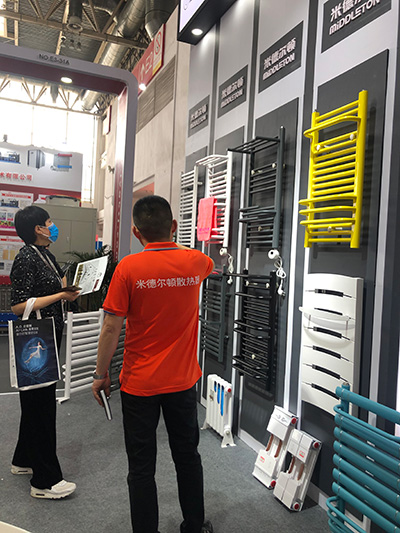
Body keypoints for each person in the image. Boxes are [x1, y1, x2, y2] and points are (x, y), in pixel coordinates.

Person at [92, 195, 215, 533]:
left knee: (141, 467)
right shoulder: (196, 261)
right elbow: (203, 262)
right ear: (173, 226)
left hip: (139, 384)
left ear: (136, 231)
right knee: (187, 457)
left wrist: (100, 375)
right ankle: (194, 526)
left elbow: (111, 327)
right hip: (182, 383)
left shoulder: (128, 268)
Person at [10, 204, 80, 499]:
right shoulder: (26, 257)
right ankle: (45, 481)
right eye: (49, 222)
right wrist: (60, 295)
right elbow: (18, 306)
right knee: (41, 407)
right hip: (35, 340)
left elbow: (56, 288)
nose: (53, 227)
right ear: (38, 228)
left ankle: (23, 459)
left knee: (35, 402)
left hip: (48, 336)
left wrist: (69, 290)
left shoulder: (45, 254)